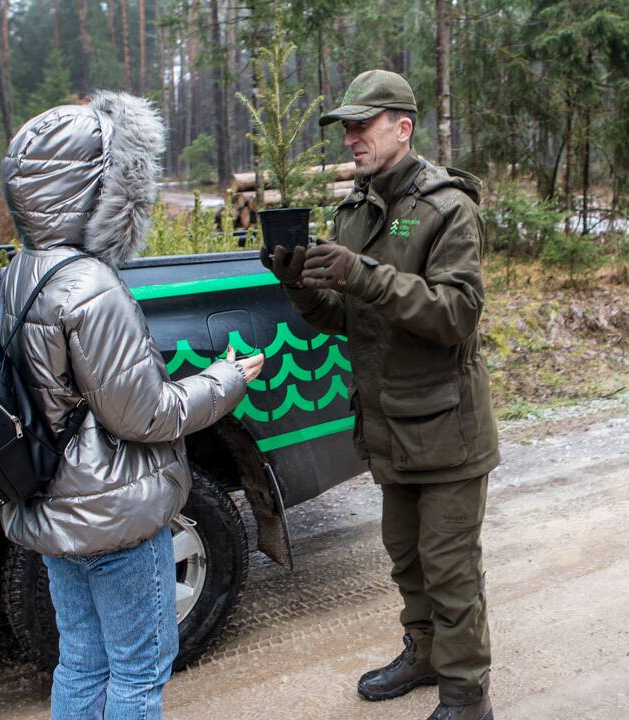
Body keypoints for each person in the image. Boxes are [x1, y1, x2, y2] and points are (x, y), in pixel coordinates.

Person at [0, 94, 264, 720]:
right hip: (115, 513)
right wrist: (225, 379)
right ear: (102, 187)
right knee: (140, 673)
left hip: (56, 502)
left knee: (82, 661)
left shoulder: (22, 270)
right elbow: (144, 416)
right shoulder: (90, 284)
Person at [260, 69, 498, 720]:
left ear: (403, 127)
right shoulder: (356, 210)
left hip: (447, 427)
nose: (352, 138)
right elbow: (348, 319)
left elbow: (456, 316)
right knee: (406, 558)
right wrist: (301, 287)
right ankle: (423, 654)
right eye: (346, 127)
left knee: (450, 569)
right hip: (390, 425)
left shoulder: (448, 207)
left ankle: (468, 696)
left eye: (364, 125)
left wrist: (364, 274)